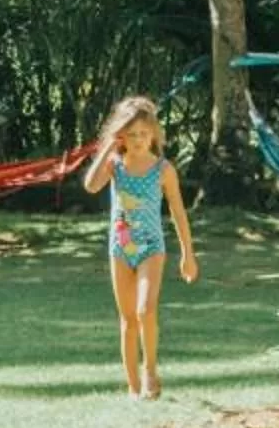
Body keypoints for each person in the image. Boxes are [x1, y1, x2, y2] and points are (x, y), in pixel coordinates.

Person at [82, 96, 197, 397]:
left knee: (146, 309)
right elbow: (91, 185)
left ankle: (150, 370)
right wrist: (109, 146)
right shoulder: (115, 165)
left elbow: (178, 211)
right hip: (120, 249)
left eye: (143, 134)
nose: (137, 140)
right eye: (130, 134)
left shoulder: (163, 170)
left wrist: (188, 254)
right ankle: (133, 389)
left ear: (154, 135)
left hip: (151, 247)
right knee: (128, 319)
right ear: (122, 135)